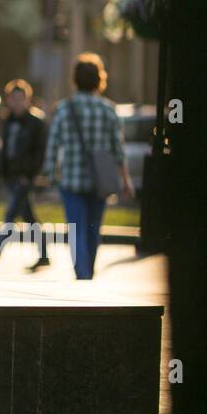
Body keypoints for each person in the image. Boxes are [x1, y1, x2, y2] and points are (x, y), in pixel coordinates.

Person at [41, 53, 135, 280]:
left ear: (75, 80)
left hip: (71, 181)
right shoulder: (108, 109)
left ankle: (81, 274)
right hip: (100, 182)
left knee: (76, 231)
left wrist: (50, 174)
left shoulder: (64, 109)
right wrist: (126, 180)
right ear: (99, 80)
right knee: (93, 230)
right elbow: (118, 149)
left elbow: (53, 145)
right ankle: (88, 274)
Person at [0, 79, 50, 271]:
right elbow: (5, 151)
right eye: (14, 98)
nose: (17, 102)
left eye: (21, 99)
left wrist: (29, 174)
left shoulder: (36, 123)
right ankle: (44, 255)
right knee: (29, 217)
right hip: (10, 176)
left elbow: (40, 153)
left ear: (28, 100)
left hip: (24, 177)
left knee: (10, 215)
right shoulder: (7, 121)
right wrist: (0, 174)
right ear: (9, 100)